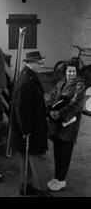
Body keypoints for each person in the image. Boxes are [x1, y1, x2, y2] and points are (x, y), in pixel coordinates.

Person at [11, 51, 51, 197]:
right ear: (30, 63)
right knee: (38, 158)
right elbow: (21, 108)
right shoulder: (26, 81)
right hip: (30, 129)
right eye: (39, 63)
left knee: (25, 159)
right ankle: (41, 190)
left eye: (42, 62)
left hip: (25, 128)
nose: (42, 65)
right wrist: (26, 130)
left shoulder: (28, 75)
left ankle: (26, 186)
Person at [46, 58, 85, 192]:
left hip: (69, 125)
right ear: (65, 71)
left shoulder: (79, 85)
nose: (71, 74)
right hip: (57, 125)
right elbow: (51, 98)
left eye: (74, 71)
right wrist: (49, 109)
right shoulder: (60, 82)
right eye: (69, 71)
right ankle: (56, 177)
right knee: (57, 152)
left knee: (65, 153)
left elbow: (75, 106)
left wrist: (57, 113)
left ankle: (61, 180)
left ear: (76, 72)